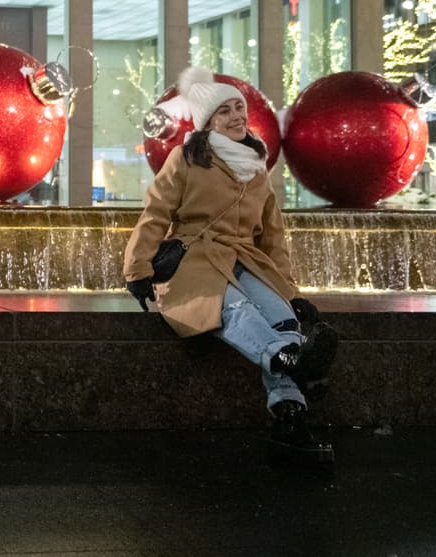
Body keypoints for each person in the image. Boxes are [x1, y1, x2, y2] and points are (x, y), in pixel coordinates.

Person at [123, 67, 338, 464]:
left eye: (239, 107)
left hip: (247, 260)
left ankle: (289, 414)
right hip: (195, 258)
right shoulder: (185, 158)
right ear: (209, 122)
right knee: (233, 309)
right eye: (225, 111)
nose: (237, 116)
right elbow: (155, 213)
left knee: (283, 319)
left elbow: (272, 237)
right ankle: (286, 368)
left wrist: (291, 293)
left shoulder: (257, 167)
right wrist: (137, 271)